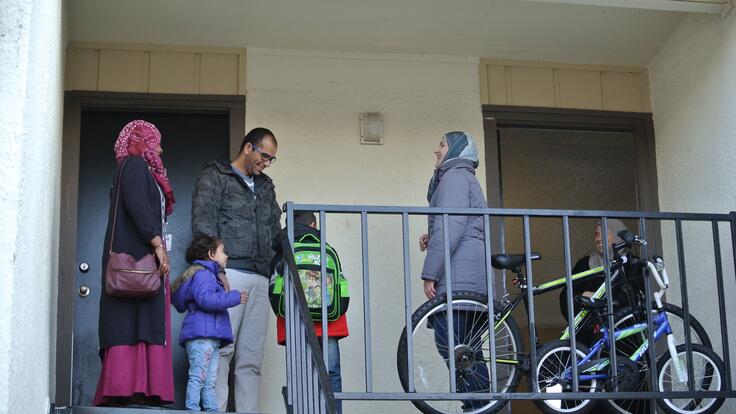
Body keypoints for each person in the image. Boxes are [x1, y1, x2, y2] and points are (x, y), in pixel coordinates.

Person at [191, 127, 282, 412]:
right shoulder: (216, 176)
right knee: (222, 350)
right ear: (248, 148)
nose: (266, 163)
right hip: (230, 275)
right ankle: (214, 409)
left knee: (251, 359)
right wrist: (216, 271)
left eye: (271, 160)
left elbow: (274, 230)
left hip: (261, 277)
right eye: (264, 156)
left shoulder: (266, 187)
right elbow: (203, 223)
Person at [94, 120, 176, 407]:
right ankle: (127, 387)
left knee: (140, 320)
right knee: (131, 321)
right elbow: (137, 206)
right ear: (140, 141)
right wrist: (158, 245)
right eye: (154, 141)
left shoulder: (142, 169)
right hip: (136, 260)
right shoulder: (134, 165)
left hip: (141, 261)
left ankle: (142, 388)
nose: (160, 148)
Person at [419, 131, 490, 411]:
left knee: (454, 345)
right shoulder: (460, 177)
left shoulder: (455, 177)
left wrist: (430, 273)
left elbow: (452, 226)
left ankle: (479, 406)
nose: (437, 150)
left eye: (442, 144)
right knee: (465, 350)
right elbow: (456, 224)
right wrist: (432, 235)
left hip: (461, 278)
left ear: (457, 150)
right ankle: (478, 406)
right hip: (467, 276)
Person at [273, 212, 349, 414]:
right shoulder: (326, 250)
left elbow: (275, 292)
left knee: (299, 375)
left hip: (294, 323)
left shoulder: (283, 250)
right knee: (331, 373)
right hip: (329, 324)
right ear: (314, 224)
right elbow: (342, 290)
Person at [171, 235, 249, 411]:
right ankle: (192, 408)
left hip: (210, 336)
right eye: (223, 251)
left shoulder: (209, 275)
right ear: (211, 254)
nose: (226, 256)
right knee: (199, 376)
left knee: (210, 379)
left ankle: (211, 409)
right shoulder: (204, 275)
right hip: (202, 337)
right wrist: (233, 297)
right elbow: (205, 300)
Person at [558, 219, 629, 321]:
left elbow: (634, 297)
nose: (599, 239)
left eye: (605, 233)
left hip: (624, 329)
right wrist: (582, 298)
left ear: (618, 236)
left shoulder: (631, 263)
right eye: (596, 234)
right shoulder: (584, 264)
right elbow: (566, 296)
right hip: (591, 329)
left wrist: (603, 299)